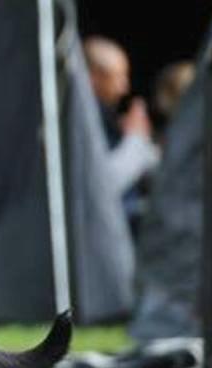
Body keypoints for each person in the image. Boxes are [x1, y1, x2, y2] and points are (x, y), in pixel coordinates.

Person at [84, 36, 160, 230]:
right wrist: (136, 138)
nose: (125, 88)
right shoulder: (82, 124)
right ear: (93, 77)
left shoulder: (106, 118)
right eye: (117, 77)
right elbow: (102, 185)